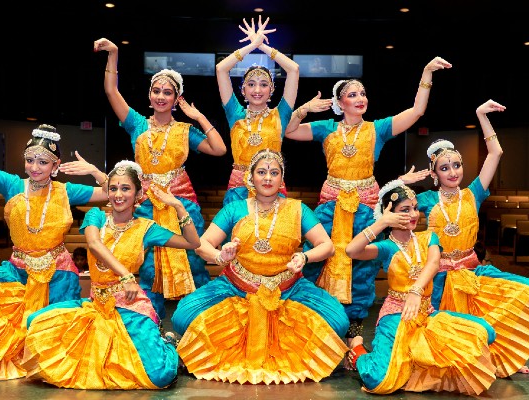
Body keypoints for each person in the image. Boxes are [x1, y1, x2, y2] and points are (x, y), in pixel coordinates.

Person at [283, 56, 452, 342]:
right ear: (340, 103)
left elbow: (417, 111)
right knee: (317, 262)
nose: (360, 98)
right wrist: (303, 110)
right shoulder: (326, 128)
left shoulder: (378, 128)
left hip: (365, 206)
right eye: (352, 94)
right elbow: (288, 131)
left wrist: (426, 73)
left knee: (362, 270)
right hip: (330, 206)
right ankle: (316, 325)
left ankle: (354, 334)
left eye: (362, 93)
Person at [0, 100, 109, 381]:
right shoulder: (11, 184)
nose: (35, 167)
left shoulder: (66, 191)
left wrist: (95, 172)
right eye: (30, 160)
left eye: (43, 162)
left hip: (57, 276)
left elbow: (113, 194)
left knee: (49, 352)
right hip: (17, 270)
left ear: (56, 165)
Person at [171, 149, 349, 384]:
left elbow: (326, 245)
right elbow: (202, 245)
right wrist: (220, 255)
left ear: (281, 179)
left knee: (339, 322)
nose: (267, 178)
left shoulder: (297, 209)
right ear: (251, 177)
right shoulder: (234, 209)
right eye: (262, 172)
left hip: (288, 287)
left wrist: (305, 258)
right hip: (236, 286)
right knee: (182, 316)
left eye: (274, 173)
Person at [22, 160, 200, 390]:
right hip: (96, 304)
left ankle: (168, 345)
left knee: (160, 376)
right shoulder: (95, 218)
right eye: (113, 188)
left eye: (125, 188)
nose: (118, 194)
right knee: (35, 322)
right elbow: (95, 245)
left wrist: (178, 207)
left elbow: (192, 242)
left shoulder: (146, 228)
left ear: (137, 194)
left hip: (129, 306)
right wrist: (126, 276)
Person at [403, 100, 529, 377]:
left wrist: (481, 115)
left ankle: (502, 355)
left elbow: (496, 152)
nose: (453, 171)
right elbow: (387, 206)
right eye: (444, 168)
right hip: (441, 277)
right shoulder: (425, 200)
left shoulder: (474, 193)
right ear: (433, 174)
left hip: (472, 269)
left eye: (456, 165)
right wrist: (401, 182)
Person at [93, 38, 227, 318]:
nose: (161, 96)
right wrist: (114, 54)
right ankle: (150, 318)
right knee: (149, 261)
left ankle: (191, 319)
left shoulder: (185, 130)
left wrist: (199, 117)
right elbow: (110, 90)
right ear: (150, 94)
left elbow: (219, 149)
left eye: (168, 93)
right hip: (145, 203)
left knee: (191, 259)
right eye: (157, 91)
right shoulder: (137, 124)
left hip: (180, 200)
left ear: (176, 99)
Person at [344, 180, 497, 395]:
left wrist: (416, 291)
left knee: (485, 332)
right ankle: (358, 350)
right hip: (396, 316)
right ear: (390, 214)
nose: (414, 214)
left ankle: (412, 364)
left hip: (426, 314)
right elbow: (351, 251)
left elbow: (434, 263)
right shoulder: (387, 247)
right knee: (378, 380)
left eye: (415, 208)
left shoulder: (428, 237)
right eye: (404, 210)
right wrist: (380, 222)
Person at [216, 15, 299, 206]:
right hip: (238, 190)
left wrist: (262, 46)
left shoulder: (281, 114)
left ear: (271, 91)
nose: (257, 90)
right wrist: (251, 45)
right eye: (251, 85)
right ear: (243, 90)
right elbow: (221, 69)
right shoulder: (235, 113)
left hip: (273, 187)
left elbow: (293, 69)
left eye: (263, 85)